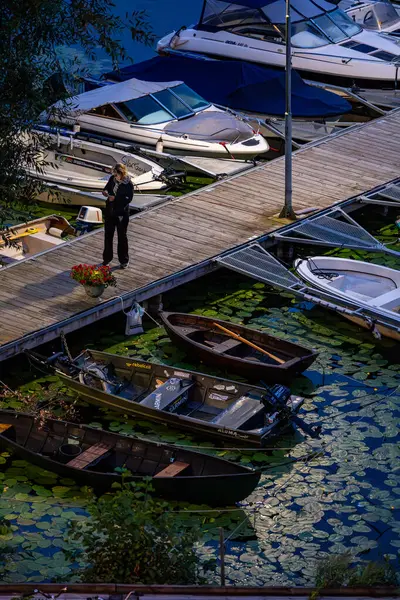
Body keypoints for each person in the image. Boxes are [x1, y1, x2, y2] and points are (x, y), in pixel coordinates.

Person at [102, 163, 134, 269]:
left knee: (122, 237)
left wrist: (115, 199)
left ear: (121, 173)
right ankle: (107, 259)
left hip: (121, 213)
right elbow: (107, 187)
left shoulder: (128, 184)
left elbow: (128, 199)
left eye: (116, 174)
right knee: (108, 236)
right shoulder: (112, 179)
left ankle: (124, 260)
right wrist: (105, 192)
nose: (114, 176)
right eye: (114, 174)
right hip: (110, 211)